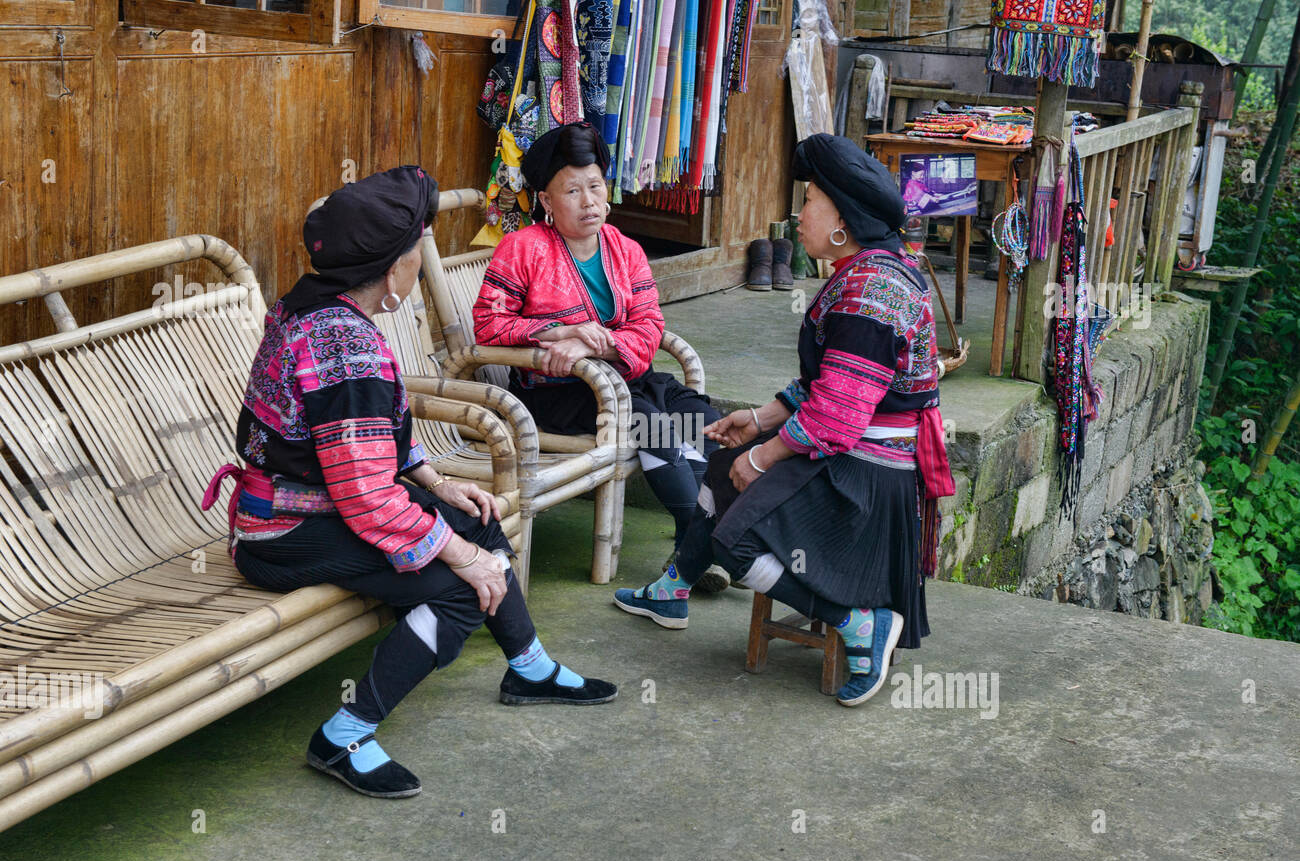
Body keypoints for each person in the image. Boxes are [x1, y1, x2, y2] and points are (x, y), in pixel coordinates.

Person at [206, 166, 616, 800]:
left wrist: (435, 483)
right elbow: (367, 497)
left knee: (475, 520)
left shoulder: (315, 303)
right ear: (394, 267)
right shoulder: (347, 346)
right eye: (416, 251)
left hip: (320, 505)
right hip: (282, 530)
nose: (420, 263)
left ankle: (529, 669)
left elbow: (374, 437)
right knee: (458, 585)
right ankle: (344, 734)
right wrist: (461, 555)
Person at [612, 134, 955, 707]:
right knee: (720, 469)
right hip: (857, 454)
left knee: (737, 538)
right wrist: (757, 419)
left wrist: (764, 455)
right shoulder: (877, 269)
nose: (799, 215)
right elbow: (829, 385)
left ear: (844, 219)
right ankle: (673, 590)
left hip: (864, 479)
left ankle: (858, 621)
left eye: (812, 201)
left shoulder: (871, 294)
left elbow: (837, 419)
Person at [472, 121, 729, 589]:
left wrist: (598, 342)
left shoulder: (625, 249)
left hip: (625, 379)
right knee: (651, 420)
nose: (589, 201)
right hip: (558, 393)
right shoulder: (522, 248)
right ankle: (698, 549)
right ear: (547, 202)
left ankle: (701, 539)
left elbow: (649, 326)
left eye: (595, 186)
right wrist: (562, 330)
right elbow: (489, 324)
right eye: (572, 190)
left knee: (699, 419)